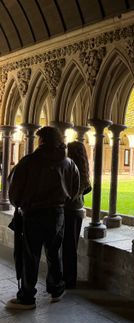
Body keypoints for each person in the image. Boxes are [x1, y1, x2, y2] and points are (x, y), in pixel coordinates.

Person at [6, 127, 80, 309]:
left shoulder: (28, 162)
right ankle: (56, 289)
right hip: (57, 213)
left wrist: (20, 204)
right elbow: (75, 188)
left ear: (42, 141)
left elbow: (14, 189)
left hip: (33, 214)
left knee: (30, 255)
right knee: (54, 252)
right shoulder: (69, 163)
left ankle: (27, 297)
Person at [63, 141, 91, 289]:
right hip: (78, 210)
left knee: (67, 246)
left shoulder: (70, 166)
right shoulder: (84, 167)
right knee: (71, 246)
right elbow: (88, 188)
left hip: (69, 210)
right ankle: (70, 279)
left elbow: (67, 191)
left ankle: (68, 280)